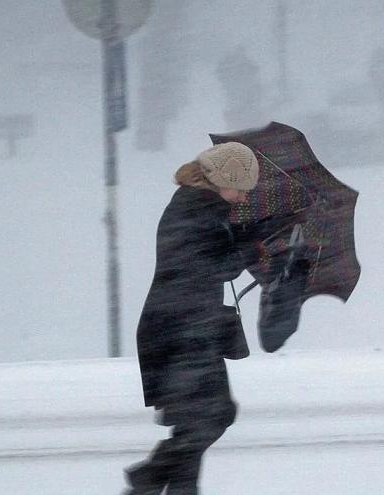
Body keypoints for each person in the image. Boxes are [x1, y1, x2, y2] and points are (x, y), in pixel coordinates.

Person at [123, 142, 260, 495]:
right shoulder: (195, 211)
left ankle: (154, 481)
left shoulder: (198, 208)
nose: (244, 198)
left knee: (200, 422)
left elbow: (216, 256)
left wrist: (253, 238)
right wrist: (252, 245)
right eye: (242, 189)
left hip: (185, 329)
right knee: (210, 419)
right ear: (224, 180)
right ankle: (148, 478)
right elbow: (218, 265)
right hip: (178, 332)